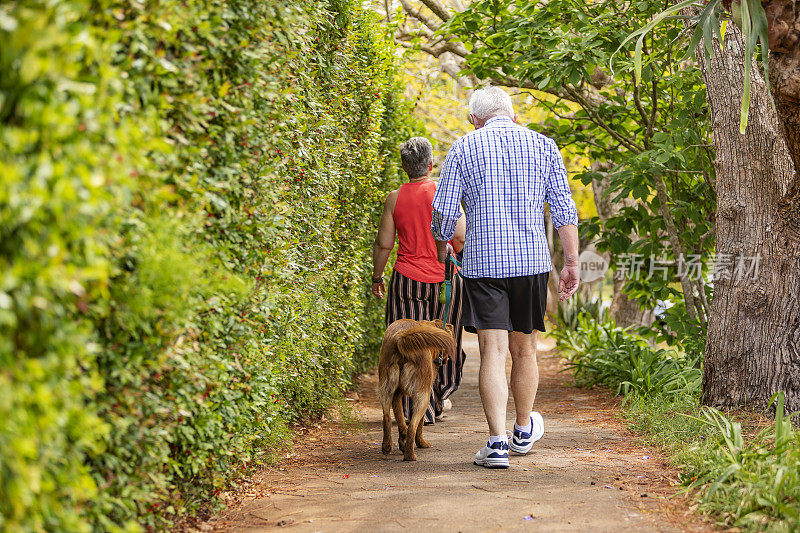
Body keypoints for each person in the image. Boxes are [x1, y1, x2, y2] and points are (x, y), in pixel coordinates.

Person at [431, 86, 580, 469]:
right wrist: (571, 263)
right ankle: (523, 429)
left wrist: (443, 244)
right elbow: (564, 209)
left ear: (474, 120)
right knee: (525, 349)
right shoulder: (543, 146)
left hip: (484, 266)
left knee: (493, 352)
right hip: (530, 264)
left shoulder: (464, 147)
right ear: (513, 115)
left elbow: (445, 215)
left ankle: (496, 445)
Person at [371, 137, 467, 425]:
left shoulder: (394, 198)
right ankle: (434, 401)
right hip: (444, 281)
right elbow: (460, 237)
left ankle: (414, 409)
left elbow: (384, 243)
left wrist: (377, 276)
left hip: (405, 282)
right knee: (442, 340)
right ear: (430, 164)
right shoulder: (443, 192)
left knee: (407, 342)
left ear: (404, 167)